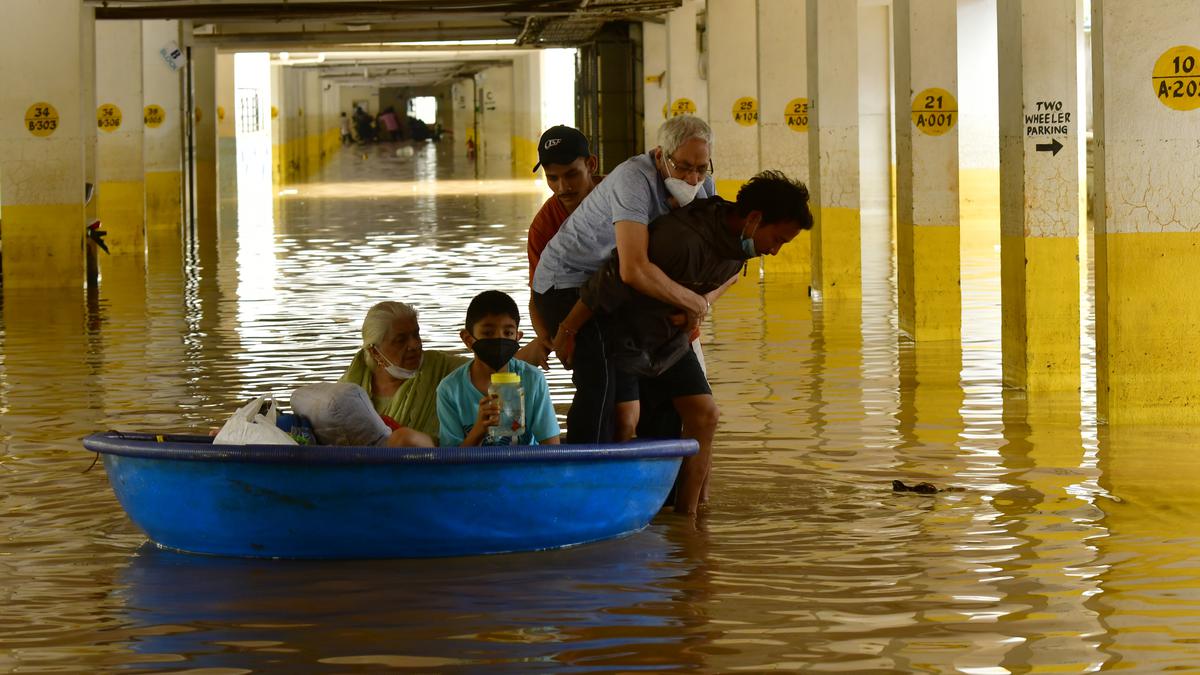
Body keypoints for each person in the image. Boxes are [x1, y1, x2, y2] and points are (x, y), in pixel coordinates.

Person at [554, 171, 814, 515]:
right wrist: (568, 330)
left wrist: (699, 304)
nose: (776, 251)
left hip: (671, 342)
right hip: (624, 337)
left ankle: (688, 521)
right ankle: (612, 512)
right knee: (624, 424)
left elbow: (731, 277)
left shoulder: (742, 246)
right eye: (778, 239)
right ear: (754, 219)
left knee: (705, 416)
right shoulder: (681, 238)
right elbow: (611, 279)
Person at [530, 114, 717, 444]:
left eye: (571, 174)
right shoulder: (549, 223)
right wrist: (555, 334)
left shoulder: (698, 183)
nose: (563, 187)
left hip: (650, 301)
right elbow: (547, 288)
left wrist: (693, 309)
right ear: (661, 156)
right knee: (609, 391)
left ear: (591, 165)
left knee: (678, 400)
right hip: (604, 295)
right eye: (553, 178)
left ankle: (667, 485)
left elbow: (708, 261)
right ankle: (587, 471)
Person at [436, 291, 561, 447]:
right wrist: (478, 431)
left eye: (508, 333)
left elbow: (552, 447)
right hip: (476, 471)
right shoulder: (450, 390)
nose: (499, 339)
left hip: (525, 469)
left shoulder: (533, 379)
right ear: (468, 339)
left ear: (517, 337)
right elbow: (450, 463)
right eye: (488, 333)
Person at [340, 301, 468, 446]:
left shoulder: (443, 368)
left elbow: (486, 369)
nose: (415, 345)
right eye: (400, 340)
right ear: (375, 352)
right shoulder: (350, 388)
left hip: (431, 462)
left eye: (416, 334)